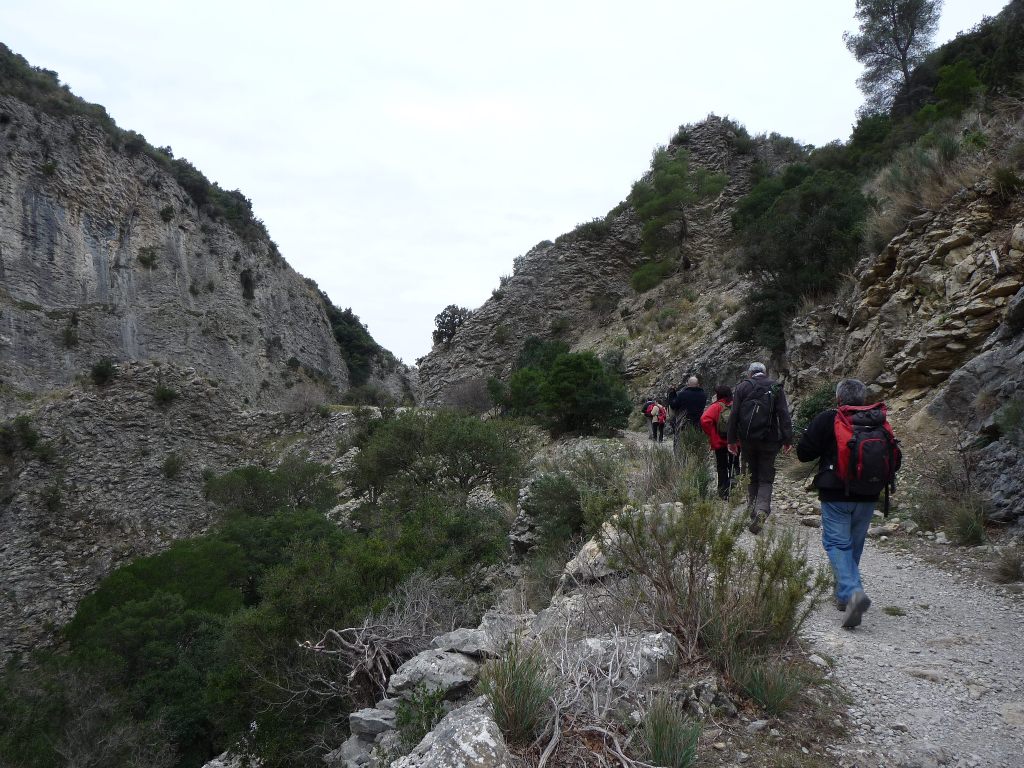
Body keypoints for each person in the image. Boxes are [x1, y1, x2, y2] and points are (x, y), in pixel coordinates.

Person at [797, 378, 901, 630]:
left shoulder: (829, 418)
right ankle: (844, 596)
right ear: (863, 398)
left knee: (835, 543)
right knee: (853, 544)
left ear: (838, 398)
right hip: (869, 493)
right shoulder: (879, 420)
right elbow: (895, 459)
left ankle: (853, 591)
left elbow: (804, 453)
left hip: (835, 493)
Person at [726, 362, 793, 534]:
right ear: (765, 372)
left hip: (747, 440)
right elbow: (783, 414)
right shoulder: (775, 387)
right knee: (766, 477)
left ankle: (752, 508)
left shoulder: (742, 388)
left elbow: (734, 415)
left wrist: (731, 440)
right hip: (769, 440)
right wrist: (787, 439)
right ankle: (762, 509)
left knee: (750, 474)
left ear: (750, 374)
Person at [700, 385, 739, 499]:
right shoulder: (737, 405)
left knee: (722, 467)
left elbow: (704, 420)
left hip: (719, 443)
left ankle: (723, 492)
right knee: (735, 465)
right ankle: (735, 491)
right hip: (736, 442)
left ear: (718, 395)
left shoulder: (716, 406)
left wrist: (712, 434)